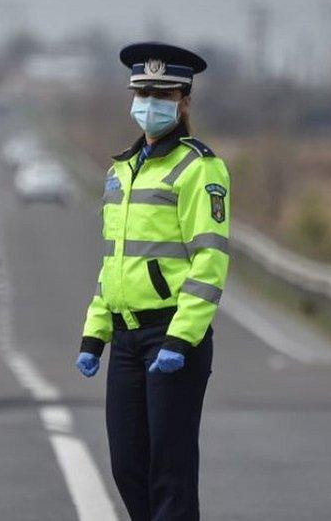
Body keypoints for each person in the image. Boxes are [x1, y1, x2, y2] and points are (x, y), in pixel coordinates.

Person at [74, 42, 230, 521]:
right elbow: (114, 263)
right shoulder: (121, 170)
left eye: (162, 93)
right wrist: (94, 335)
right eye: (142, 91)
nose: (149, 101)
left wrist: (182, 339)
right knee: (127, 466)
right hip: (125, 336)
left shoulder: (199, 168)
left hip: (171, 337)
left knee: (171, 470)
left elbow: (210, 260)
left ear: (183, 101)